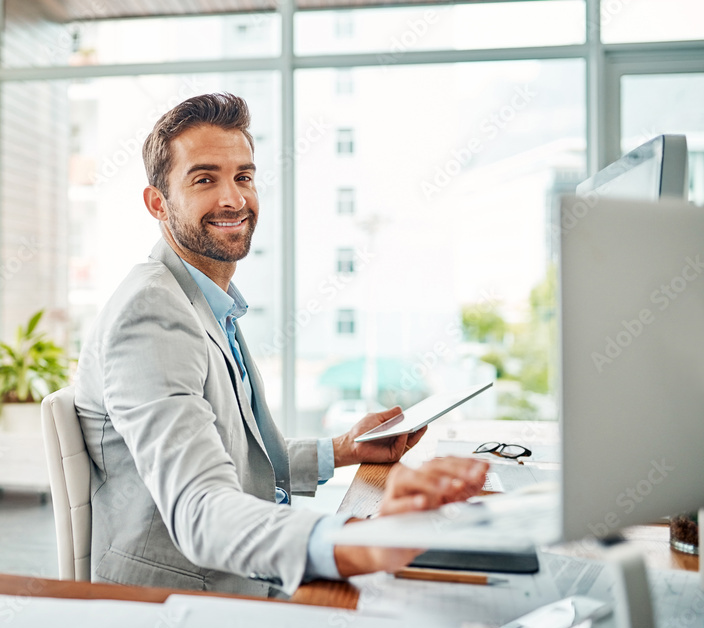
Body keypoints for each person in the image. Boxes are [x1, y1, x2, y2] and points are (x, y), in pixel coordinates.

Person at [73, 92, 487, 597]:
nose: (234, 199)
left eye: (243, 177)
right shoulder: (151, 313)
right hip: (186, 605)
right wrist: (361, 542)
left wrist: (346, 448)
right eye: (205, 179)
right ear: (157, 203)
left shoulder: (205, 300)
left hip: (237, 582)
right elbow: (199, 508)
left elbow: (237, 458)